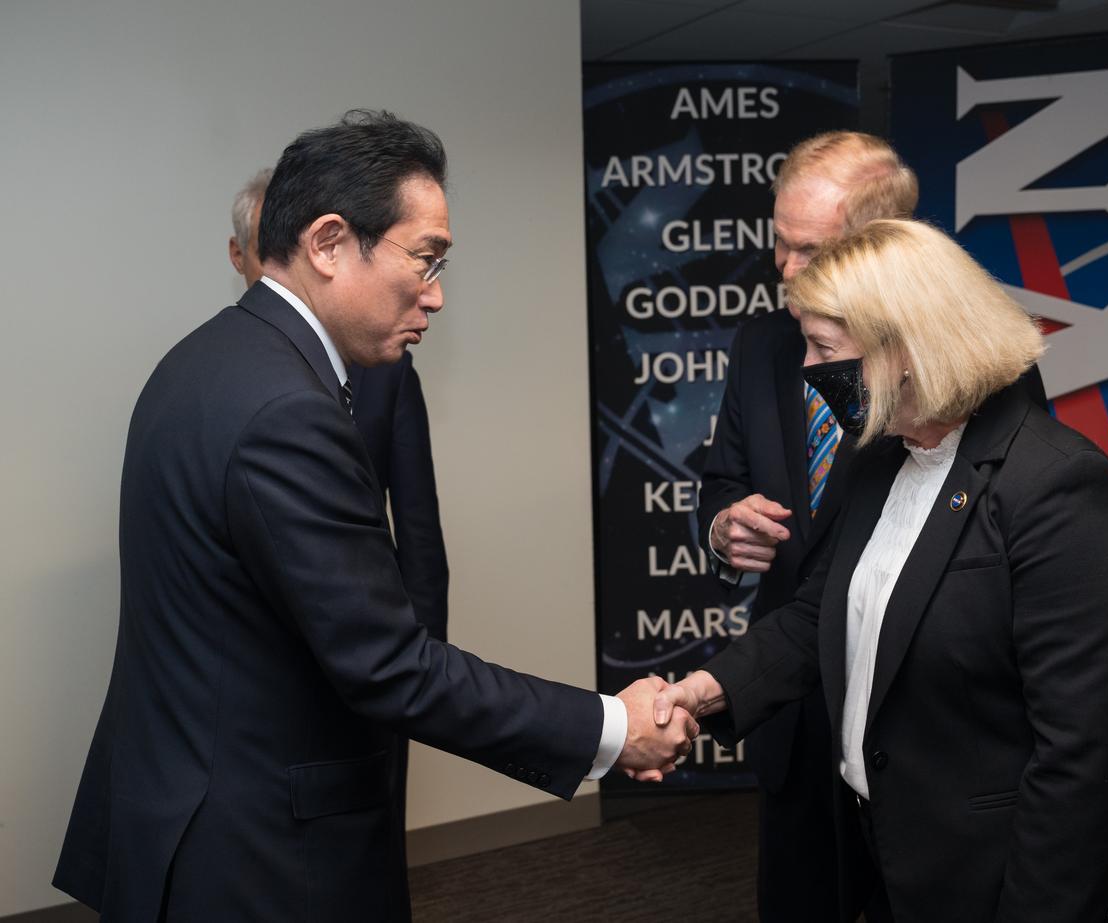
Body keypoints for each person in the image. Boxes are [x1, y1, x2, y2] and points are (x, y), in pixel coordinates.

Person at [52, 110, 697, 923]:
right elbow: (389, 664)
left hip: (179, 810)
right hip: (258, 851)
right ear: (329, 243)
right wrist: (610, 725)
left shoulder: (200, 361)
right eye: (425, 259)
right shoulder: (288, 409)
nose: (436, 293)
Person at [663, 219, 1108, 922]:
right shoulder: (879, 459)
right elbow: (819, 615)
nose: (807, 369)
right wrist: (702, 692)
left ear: (905, 350)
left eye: (824, 349)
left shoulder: (1059, 489)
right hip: (898, 860)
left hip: (1010, 881)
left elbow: (1082, 762)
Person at [696, 131, 919, 920]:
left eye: (811, 251)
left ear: (880, 248)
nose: (785, 270)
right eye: (779, 243)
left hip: (910, 725)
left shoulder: (953, 369)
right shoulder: (762, 344)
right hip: (792, 719)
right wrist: (723, 527)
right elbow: (722, 479)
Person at [231, 168, 453, 899]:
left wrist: (425, 672)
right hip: (285, 713)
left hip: (383, 670)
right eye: (424, 261)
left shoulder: (386, 371)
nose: (433, 296)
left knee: (368, 858)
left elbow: (418, 534)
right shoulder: (257, 395)